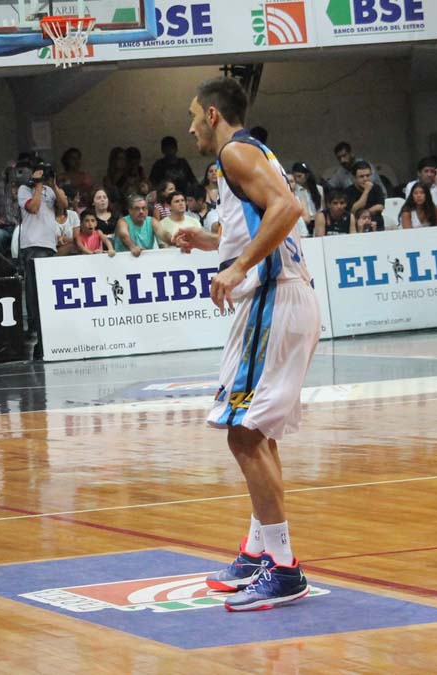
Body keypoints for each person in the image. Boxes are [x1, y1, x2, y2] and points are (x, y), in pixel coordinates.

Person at [176, 76, 319, 611]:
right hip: (283, 297)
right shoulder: (250, 153)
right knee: (257, 432)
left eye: (194, 115)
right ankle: (261, 552)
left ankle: (283, 567)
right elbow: (260, 222)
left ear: (213, 114)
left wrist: (236, 268)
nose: (190, 126)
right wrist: (212, 243)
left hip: (274, 298)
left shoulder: (235, 152)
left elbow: (287, 210)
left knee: (243, 434)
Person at [18, 162, 68, 357]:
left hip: (49, 245)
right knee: (35, 292)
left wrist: (53, 183)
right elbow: (34, 207)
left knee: (47, 292)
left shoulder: (50, 190)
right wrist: (37, 185)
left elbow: (63, 206)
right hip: (33, 244)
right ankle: (35, 330)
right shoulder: (24, 190)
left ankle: (47, 333)